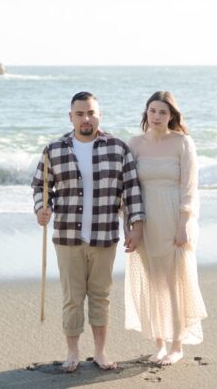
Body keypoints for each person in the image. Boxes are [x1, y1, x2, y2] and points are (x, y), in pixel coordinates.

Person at [32, 91, 145, 373]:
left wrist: (136, 226)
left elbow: (131, 191)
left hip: (104, 235)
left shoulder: (118, 148)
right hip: (67, 236)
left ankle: (100, 352)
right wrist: (42, 209)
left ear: (100, 115)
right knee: (72, 297)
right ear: (71, 117)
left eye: (91, 113)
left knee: (100, 296)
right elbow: (41, 187)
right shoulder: (54, 150)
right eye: (80, 113)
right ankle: (72, 353)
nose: (86, 118)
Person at [124, 91, 207, 365]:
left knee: (174, 283)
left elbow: (190, 186)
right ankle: (159, 343)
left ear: (171, 115)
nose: (157, 116)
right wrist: (130, 224)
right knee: (152, 282)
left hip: (174, 218)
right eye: (153, 111)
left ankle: (176, 345)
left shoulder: (182, 143)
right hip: (144, 218)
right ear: (145, 114)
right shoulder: (134, 144)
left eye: (163, 112)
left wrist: (185, 222)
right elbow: (127, 188)